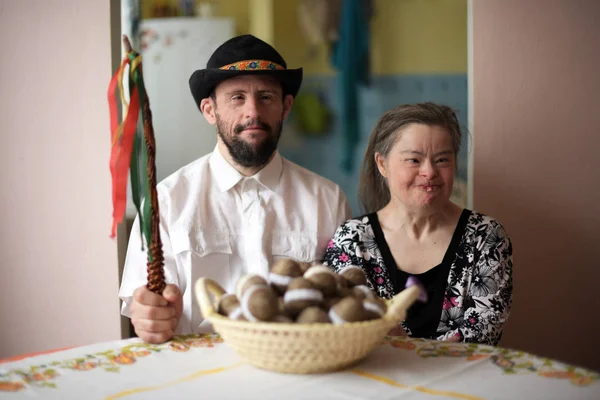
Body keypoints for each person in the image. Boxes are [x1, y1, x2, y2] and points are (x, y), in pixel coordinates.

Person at [119, 34, 351, 344]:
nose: (252, 112)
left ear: (286, 106)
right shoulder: (167, 201)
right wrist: (150, 318)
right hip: (197, 375)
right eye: (237, 97)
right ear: (209, 110)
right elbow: (143, 306)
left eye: (266, 96)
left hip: (297, 365)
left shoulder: (328, 200)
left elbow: (343, 302)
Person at [323, 103, 513, 346]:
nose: (429, 172)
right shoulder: (352, 240)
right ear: (382, 164)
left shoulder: (485, 236)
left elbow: (482, 338)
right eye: (414, 159)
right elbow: (347, 332)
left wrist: (400, 343)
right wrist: (439, 348)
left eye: (442, 159)